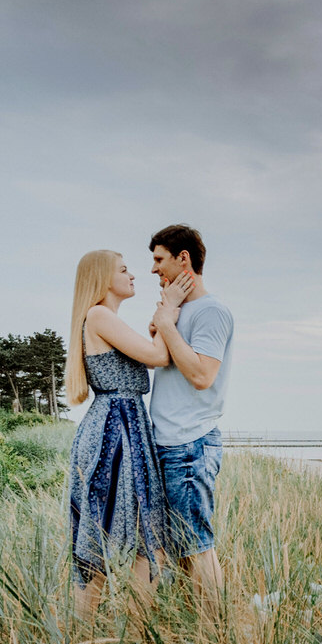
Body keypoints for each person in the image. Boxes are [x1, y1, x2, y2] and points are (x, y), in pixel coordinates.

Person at [64, 248, 192, 622]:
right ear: (103, 279)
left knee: (140, 537)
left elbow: (153, 351)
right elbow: (158, 358)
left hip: (125, 426)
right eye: (124, 270)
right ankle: (85, 637)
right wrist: (167, 313)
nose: (133, 275)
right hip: (114, 432)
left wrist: (158, 329)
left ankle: (133, 634)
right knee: (103, 537)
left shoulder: (105, 319)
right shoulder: (99, 314)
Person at [147, 224, 234, 601]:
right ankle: (192, 629)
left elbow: (202, 375)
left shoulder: (211, 311)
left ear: (184, 259)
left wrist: (167, 323)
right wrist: (165, 321)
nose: (153, 269)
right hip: (167, 441)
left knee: (197, 545)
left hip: (189, 443)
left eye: (159, 259)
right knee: (177, 546)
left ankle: (216, 635)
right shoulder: (178, 311)